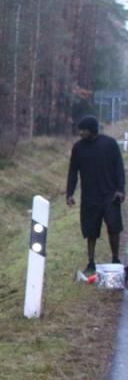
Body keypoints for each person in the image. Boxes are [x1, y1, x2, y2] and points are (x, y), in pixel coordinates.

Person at [66, 115, 125, 275]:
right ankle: (91, 262)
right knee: (90, 230)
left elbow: (119, 168)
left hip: (110, 195)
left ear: (92, 130)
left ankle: (115, 259)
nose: (80, 133)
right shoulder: (78, 148)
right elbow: (73, 172)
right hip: (89, 196)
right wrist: (69, 193)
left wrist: (120, 190)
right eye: (80, 130)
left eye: (83, 130)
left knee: (113, 228)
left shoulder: (110, 144)